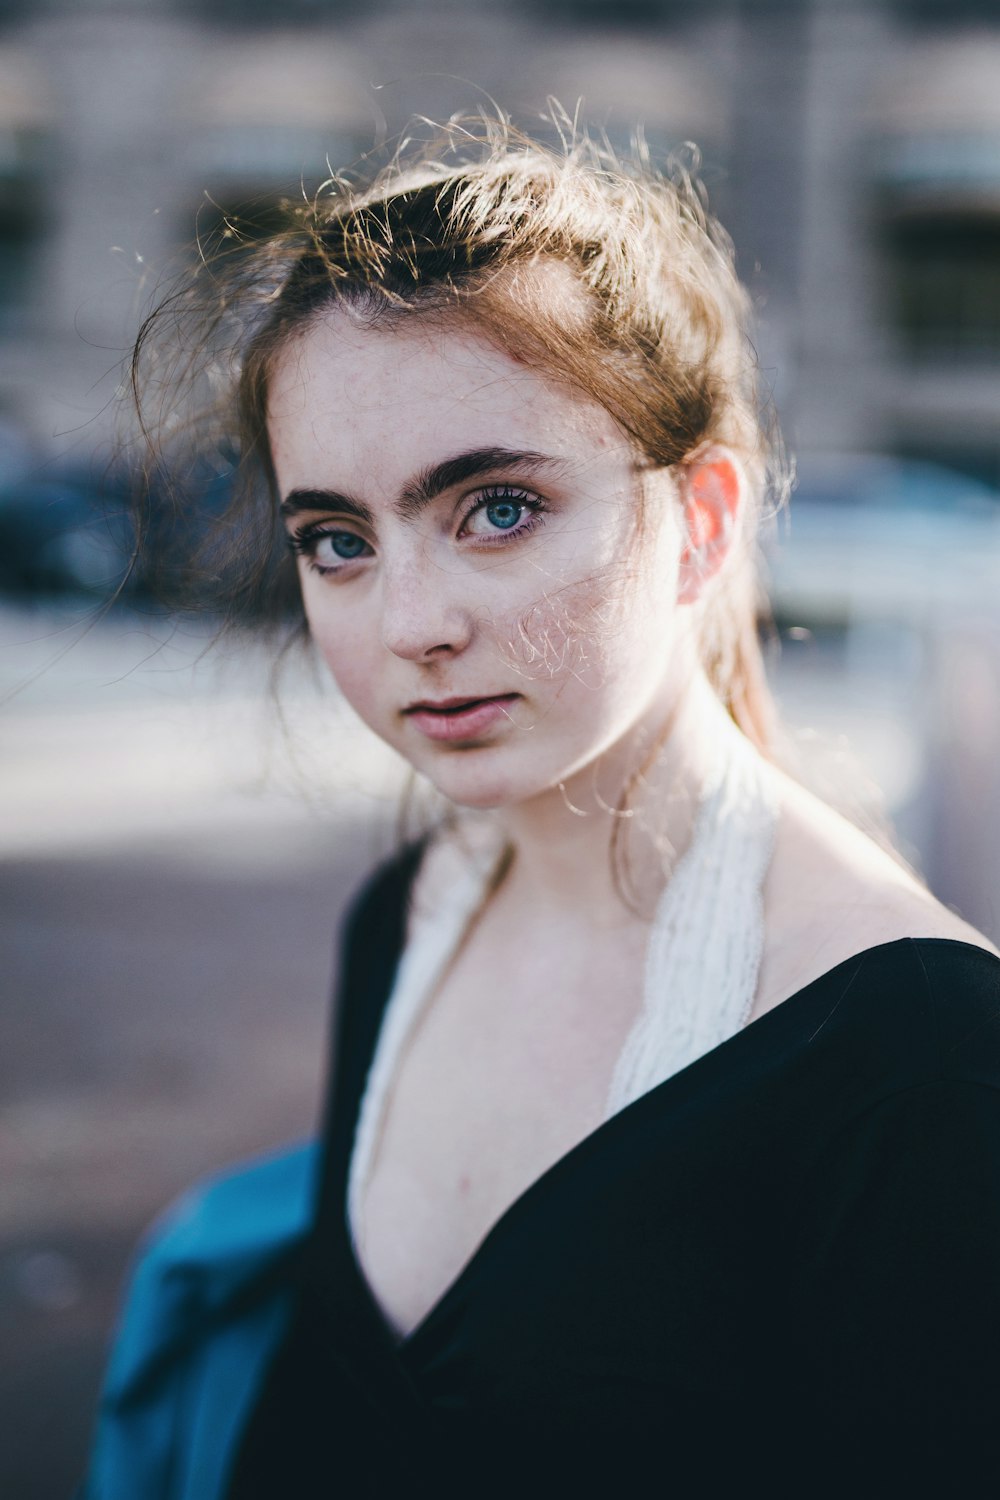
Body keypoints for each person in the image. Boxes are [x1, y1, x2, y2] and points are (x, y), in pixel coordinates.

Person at [83, 119, 1000, 1498]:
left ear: (701, 521)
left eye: (498, 508)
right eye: (337, 540)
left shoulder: (921, 1062)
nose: (412, 623)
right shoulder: (407, 914)